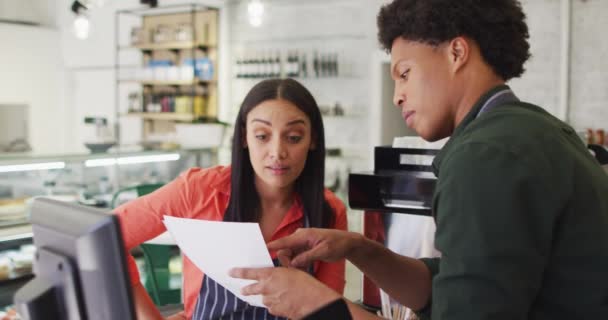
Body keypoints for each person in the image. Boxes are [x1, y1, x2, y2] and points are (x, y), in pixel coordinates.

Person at [230, 0, 608, 319]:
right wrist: (358, 248)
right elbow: (458, 282)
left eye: (404, 74)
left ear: (456, 53)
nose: (397, 96)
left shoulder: (483, 156)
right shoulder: (530, 129)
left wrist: (322, 304)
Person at [114, 78, 348, 320]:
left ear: (313, 140)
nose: (277, 152)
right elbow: (108, 236)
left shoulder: (329, 211)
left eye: (294, 137)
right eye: (262, 136)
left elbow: (330, 312)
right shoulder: (200, 190)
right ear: (245, 137)